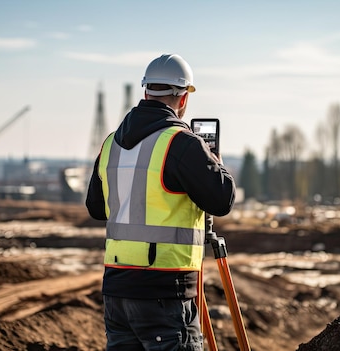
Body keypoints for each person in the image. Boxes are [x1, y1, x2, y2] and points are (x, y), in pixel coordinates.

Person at [86, 53, 236, 351]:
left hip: (117, 289)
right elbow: (222, 199)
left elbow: (96, 208)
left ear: (146, 92)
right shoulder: (181, 142)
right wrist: (216, 164)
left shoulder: (111, 143)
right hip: (166, 291)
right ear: (183, 98)